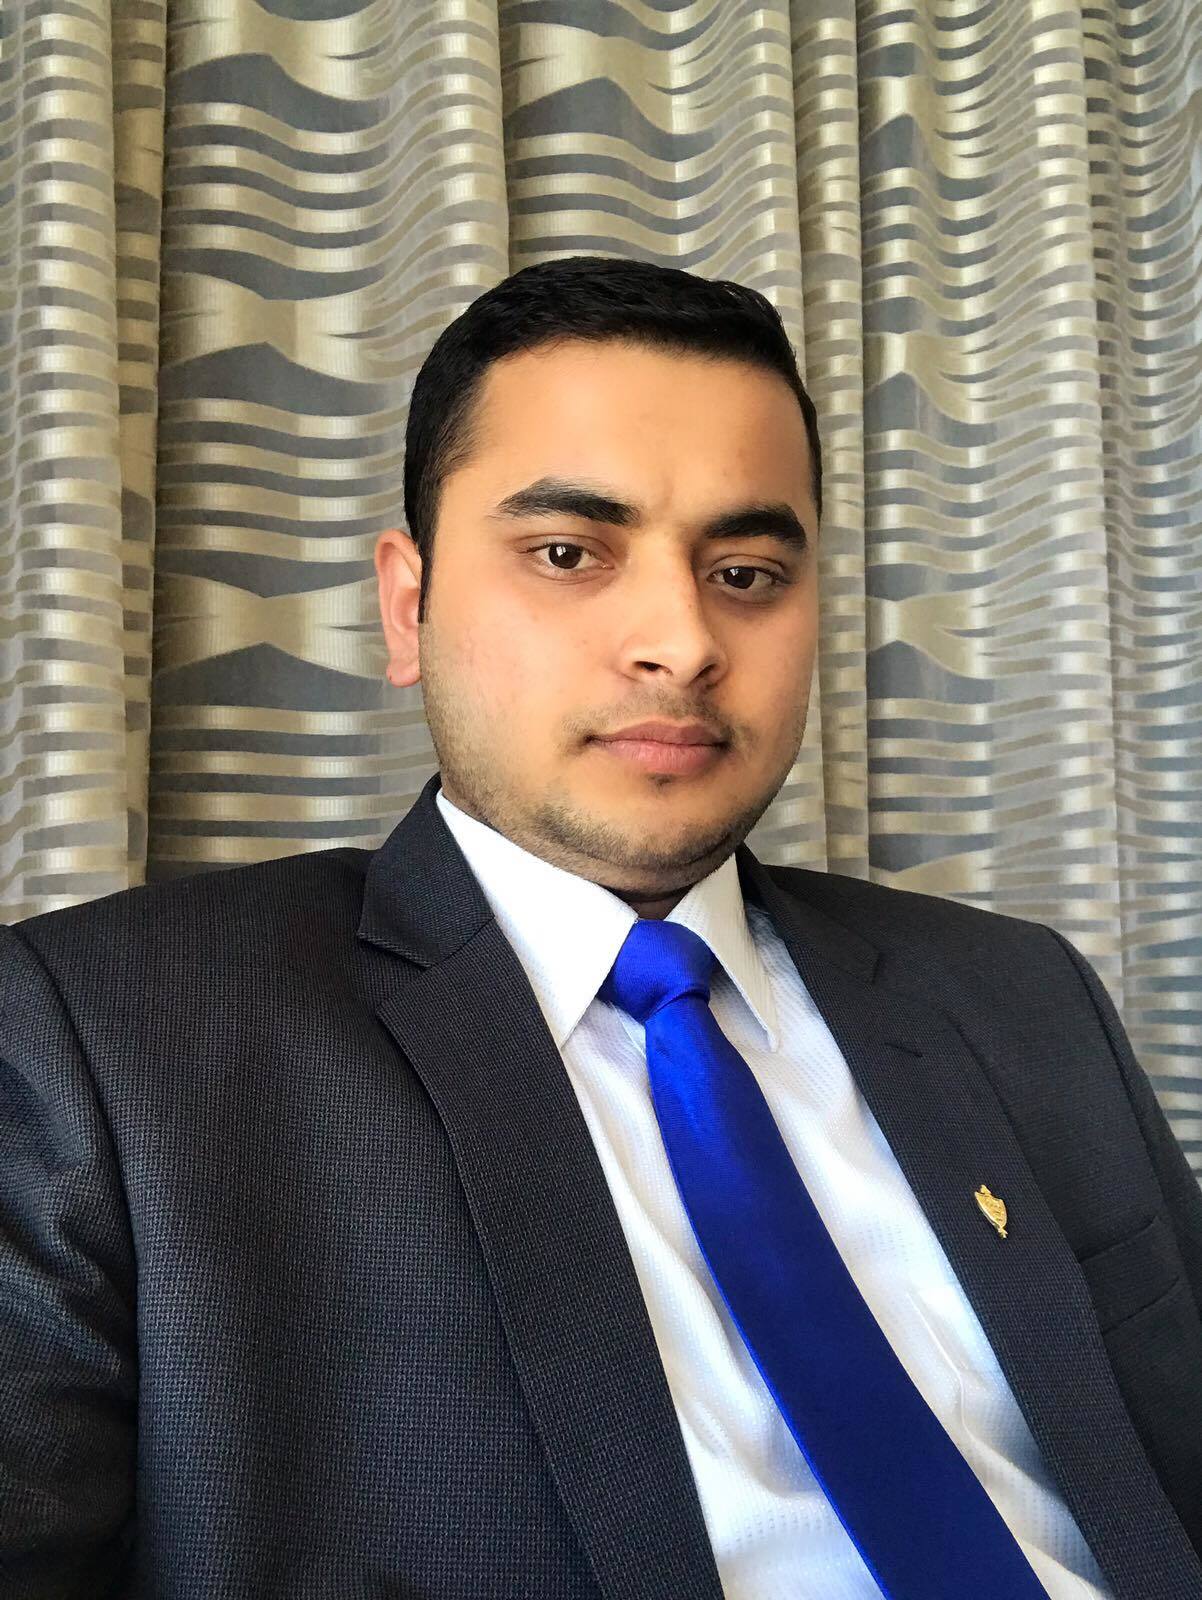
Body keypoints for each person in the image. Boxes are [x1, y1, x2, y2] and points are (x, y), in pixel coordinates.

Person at [1, 256, 1200, 1600]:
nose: (681, 640)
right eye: (569, 554)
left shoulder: (1017, 994)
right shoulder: (100, 1042)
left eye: (746, 571)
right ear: (408, 604)